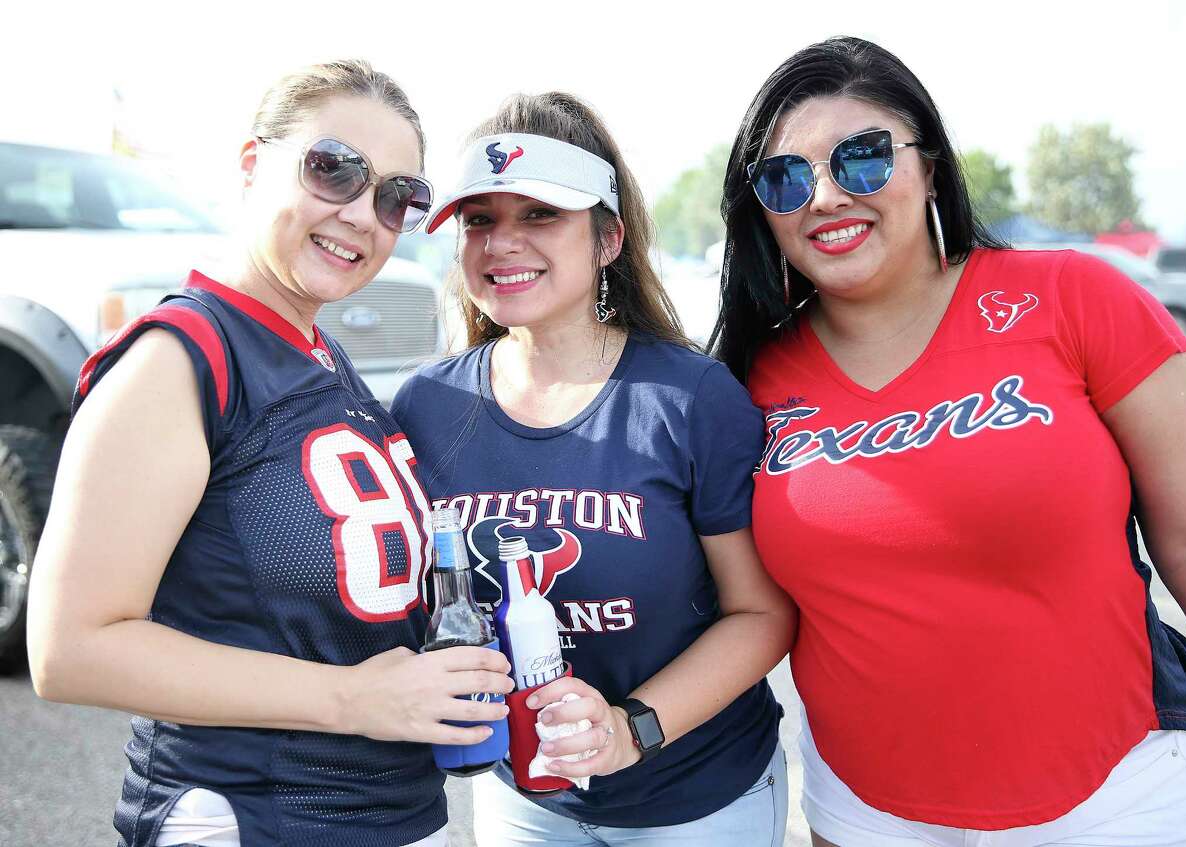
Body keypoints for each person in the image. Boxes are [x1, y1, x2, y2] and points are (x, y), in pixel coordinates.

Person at [713, 35, 1186, 847]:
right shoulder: (742, 380)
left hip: (1118, 796)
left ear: (930, 165)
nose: (826, 196)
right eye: (786, 178)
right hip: (865, 811)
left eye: (863, 158)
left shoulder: (1075, 300)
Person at [26, 60, 514, 847]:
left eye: (396, 197)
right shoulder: (178, 359)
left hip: (390, 815)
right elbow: (70, 649)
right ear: (254, 165)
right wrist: (352, 698)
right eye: (333, 169)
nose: (363, 213)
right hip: (250, 814)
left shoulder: (318, 353)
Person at [391, 92, 797, 846]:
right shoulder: (425, 406)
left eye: (540, 213)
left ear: (607, 238)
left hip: (697, 797)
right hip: (528, 801)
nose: (502, 242)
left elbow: (762, 613)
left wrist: (628, 726)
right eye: (480, 219)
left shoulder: (689, 398)